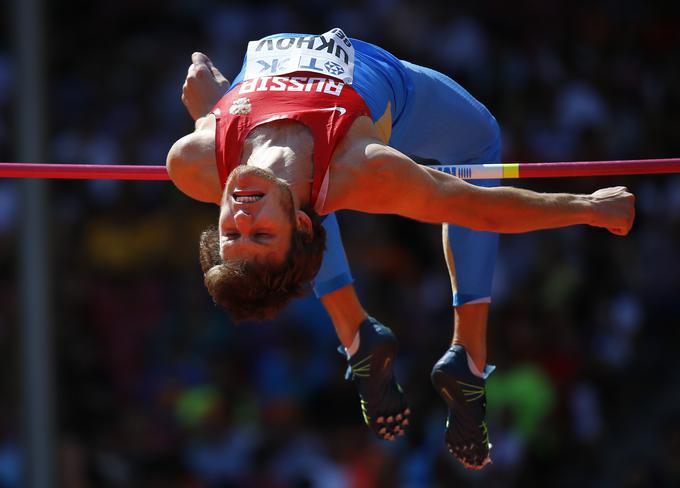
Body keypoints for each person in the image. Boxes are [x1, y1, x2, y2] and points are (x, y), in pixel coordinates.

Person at [167, 28, 635, 470]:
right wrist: (589, 206)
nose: (244, 219)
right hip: (389, 92)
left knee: (294, 194)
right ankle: (467, 353)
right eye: (262, 235)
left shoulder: (195, 160)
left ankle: (357, 334)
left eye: (233, 235)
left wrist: (212, 107)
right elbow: (480, 207)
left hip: (299, 158)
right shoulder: (368, 170)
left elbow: (212, 110)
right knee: (478, 144)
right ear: (300, 225)